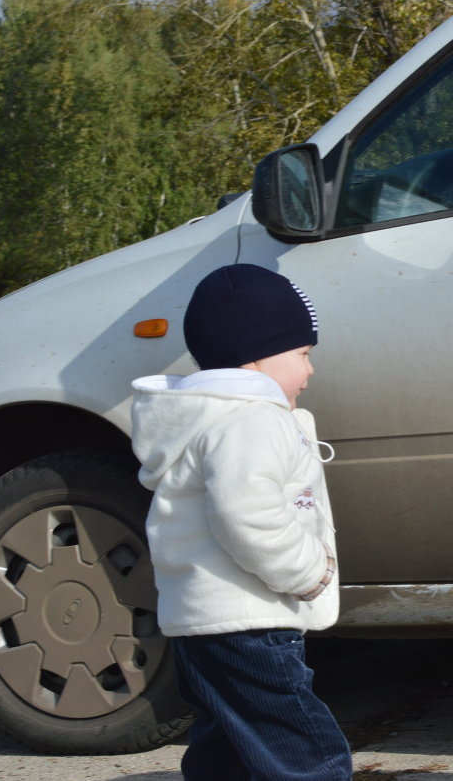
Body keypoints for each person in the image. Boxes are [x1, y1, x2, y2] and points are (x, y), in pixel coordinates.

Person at [130, 263, 350, 781]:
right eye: (302, 355)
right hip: (250, 620)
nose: (310, 370)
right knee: (304, 751)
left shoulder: (206, 419)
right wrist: (307, 573)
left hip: (200, 621)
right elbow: (245, 514)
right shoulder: (250, 420)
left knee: (229, 743)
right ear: (256, 357)